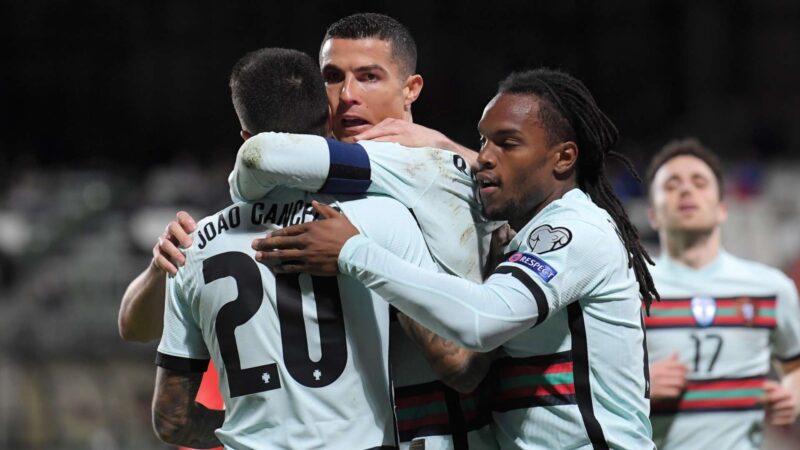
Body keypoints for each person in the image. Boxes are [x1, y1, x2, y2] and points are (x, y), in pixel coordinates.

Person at [124, 13, 500, 450]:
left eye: (369, 77)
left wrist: (259, 431)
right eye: (333, 78)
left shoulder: (437, 179)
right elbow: (134, 326)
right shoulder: (371, 212)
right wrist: (159, 268)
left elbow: (171, 416)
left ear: (411, 88)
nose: (348, 95)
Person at [241, 68, 658, 449]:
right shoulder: (522, 237)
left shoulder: (575, 230)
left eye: (507, 143)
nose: (485, 157)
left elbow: (483, 322)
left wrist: (352, 251)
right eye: (483, 141)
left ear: (564, 158)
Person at [643, 138, 800, 450]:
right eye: (672, 185)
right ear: (653, 215)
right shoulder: (629, 291)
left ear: (722, 209)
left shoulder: (771, 288)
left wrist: (792, 394)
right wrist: (639, 386)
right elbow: (591, 379)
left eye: (699, 183)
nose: (686, 190)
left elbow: (794, 364)